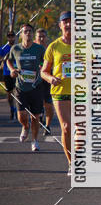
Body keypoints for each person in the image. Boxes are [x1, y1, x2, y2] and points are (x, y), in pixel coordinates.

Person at [41, 11, 73, 174]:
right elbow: (43, 71)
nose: (68, 24)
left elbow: (94, 67)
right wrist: (51, 78)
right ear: (60, 25)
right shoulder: (53, 46)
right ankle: (71, 163)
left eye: (71, 21)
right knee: (66, 128)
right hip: (60, 92)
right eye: (65, 22)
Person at [7, 24, 45, 152]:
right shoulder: (15, 48)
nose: (27, 33)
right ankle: (25, 126)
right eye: (25, 31)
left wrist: (42, 68)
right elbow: (8, 60)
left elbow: (46, 61)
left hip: (36, 86)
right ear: (21, 34)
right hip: (20, 87)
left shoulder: (39, 48)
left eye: (30, 31)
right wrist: (12, 70)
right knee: (22, 115)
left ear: (32, 34)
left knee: (36, 116)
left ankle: (34, 141)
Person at [34, 28, 54, 134]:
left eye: (43, 36)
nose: (41, 39)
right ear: (35, 38)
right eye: (39, 37)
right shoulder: (32, 48)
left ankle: (48, 125)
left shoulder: (50, 48)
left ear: (46, 38)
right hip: (35, 80)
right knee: (38, 103)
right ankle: (40, 115)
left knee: (49, 105)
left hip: (48, 79)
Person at [1, 30, 18, 120]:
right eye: (9, 36)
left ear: (15, 37)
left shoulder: (18, 47)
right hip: (7, 73)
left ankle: (20, 110)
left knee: (19, 93)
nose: (11, 38)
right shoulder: (3, 48)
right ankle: (12, 109)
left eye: (12, 36)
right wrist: (5, 58)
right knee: (10, 94)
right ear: (7, 38)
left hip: (17, 73)